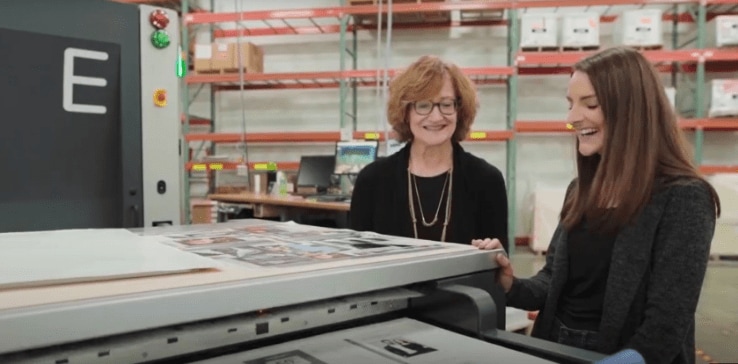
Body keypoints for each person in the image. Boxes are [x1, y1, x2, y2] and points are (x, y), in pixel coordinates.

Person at [474, 46, 721, 364]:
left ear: (632, 109)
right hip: (556, 345)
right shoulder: (580, 190)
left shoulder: (684, 198)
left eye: (589, 104)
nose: (572, 117)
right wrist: (510, 283)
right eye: (570, 104)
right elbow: (553, 279)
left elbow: (664, 329)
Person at [349, 55, 508, 251]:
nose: (435, 116)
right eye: (423, 105)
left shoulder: (486, 180)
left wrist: (494, 254)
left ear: (460, 110)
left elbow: (499, 267)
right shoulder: (372, 180)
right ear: (406, 112)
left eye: (446, 104)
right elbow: (358, 265)